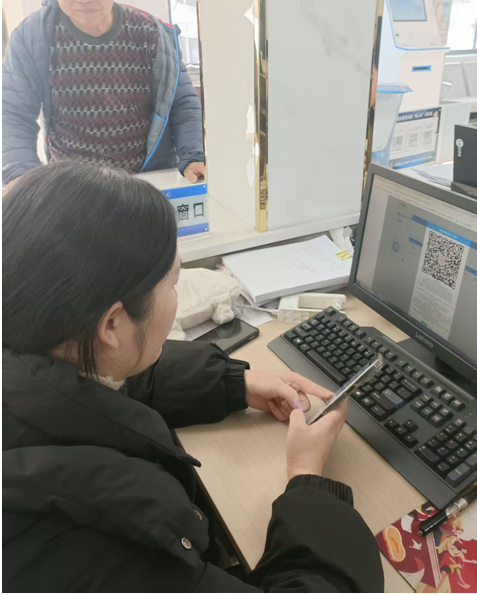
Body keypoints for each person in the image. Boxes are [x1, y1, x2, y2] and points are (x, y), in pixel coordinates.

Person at [3, 162, 384, 593]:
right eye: (172, 283)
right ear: (111, 325)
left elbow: (114, 386)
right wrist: (307, 477)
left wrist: (234, 383)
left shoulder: (31, 355)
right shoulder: (86, 548)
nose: (176, 296)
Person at [2, 0, 205, 187]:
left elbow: (181, 101)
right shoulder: (33, 37)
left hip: (145, 183)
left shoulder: (151, 33)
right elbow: (13, 112)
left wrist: (192, 154)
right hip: (73, 188)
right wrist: (19, 174)